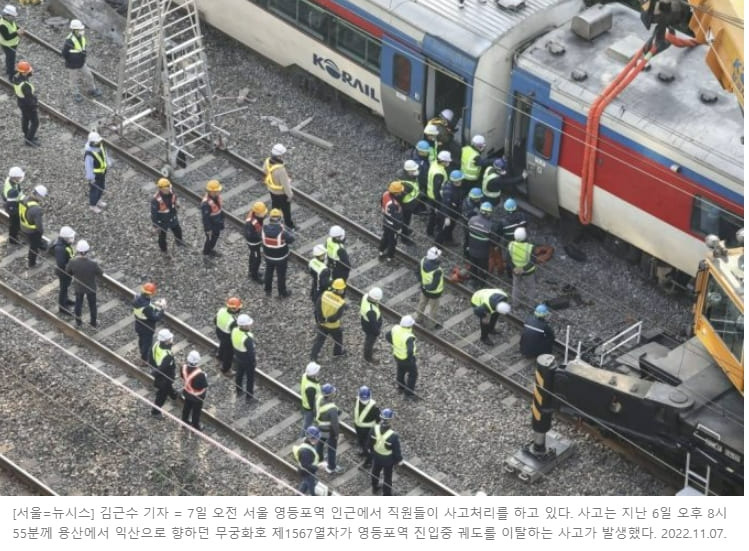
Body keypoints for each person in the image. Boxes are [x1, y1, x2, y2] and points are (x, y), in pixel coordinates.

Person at [61, 19, 101, 103]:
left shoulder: (82, 38)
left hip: (81, 63)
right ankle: (75, 94)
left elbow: (82, 49)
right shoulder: (69, 40)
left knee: (89, 75)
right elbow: (64, 53)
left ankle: (92, 89)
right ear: (74, 30)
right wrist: (70, 61)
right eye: (80, 29)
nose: (82, 31)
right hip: (72, 65)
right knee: (73, 80)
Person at [66, 239, 102, 328]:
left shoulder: (72, 262)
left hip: (79, 287)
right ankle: (93, 322)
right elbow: (100, 273)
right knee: (92, 305)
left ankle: (78, 322)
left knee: (78, 304)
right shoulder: (93, 263)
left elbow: (67, 271)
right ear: (87, 251)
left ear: (78, 251)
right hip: (91, 287)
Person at [310, 278, 347, 361]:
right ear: (340, 290)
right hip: (333, 326)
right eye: (342, 289)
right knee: (338, 338)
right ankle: (337, 352)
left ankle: (313, 356)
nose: (343, 290)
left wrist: (321, 319)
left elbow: (318, 307)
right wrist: (328, 320)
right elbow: (336, 317)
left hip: (322, 323)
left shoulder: (325, 294)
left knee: (319, 341)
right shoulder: (341, 302)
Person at [369, 408, 403, 496]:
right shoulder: (393, 436)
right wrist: (399, 460)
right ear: (390, 420)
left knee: (375, 471)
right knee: (387, 476)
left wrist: (372, 452)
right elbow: (397, 451)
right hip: (387, 460)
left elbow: (370, 443)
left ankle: (374, 486)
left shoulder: (374, 428)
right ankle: (386, 494)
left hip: (376, 455)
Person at [261, 207, 294, 298]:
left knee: (269, 272)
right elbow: (291, 239)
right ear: (280, 218)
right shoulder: (283, 231)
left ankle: (268, 290)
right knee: (281, 275)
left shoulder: (264, 228)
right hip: (281, 258)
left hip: (268, 256)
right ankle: (282, 292)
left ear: (270, 218)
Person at [133, 282, 166, 363]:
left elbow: (146, 305)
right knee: (147, 344)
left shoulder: (137, 297)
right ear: (150, 294)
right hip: (147, 327)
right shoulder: (147, 307)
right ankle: (144, 359)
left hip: (138, 324)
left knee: (141, 340)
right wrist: (162, 309)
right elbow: (155, 317)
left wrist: (154, 304)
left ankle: (142, 353)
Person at [263, 143, 295, 229]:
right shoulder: (281, 170)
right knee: (286, 211)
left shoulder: (267, 162)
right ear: (279, 156)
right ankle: (289, 225)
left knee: (275, 206)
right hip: (281, 194)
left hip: (271, 190)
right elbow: (286, 185)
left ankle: (273, 221)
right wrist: (290, 195)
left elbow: (265, 172)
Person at [386, 315, 418, 398]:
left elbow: (387, 336)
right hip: (406, 359)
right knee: (413, 374)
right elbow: (410, 351)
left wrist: (395, 345)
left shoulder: (395, 328)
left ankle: (401, 387)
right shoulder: (408, 336)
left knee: (401, 370)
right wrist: (410, 358)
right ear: (409, 326)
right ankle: (408, 393)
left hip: (397, 355)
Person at [315, 383, 343, 474]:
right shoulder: (332, 409)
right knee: (331, 449)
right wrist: (336, 435)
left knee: (319, 443)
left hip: (319, 426)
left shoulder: (319, 398)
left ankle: (319, 459)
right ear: (330, 395)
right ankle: (331, 467)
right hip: (329, 431)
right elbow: (335, 424)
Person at [150, 329, 178, 417]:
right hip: (165, 376)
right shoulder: (167, 355)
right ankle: (155, 412)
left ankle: (173, 395)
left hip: (158, 370)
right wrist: (156, 373)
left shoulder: (156, 345)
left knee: (167, 386)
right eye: (170, 339)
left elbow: (151, 358)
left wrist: (154, 369)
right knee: (162, 395)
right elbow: (163, 368)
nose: (171, 340)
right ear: (166, 341)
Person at [151, 178, 183, 252]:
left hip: (172, 218)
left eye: (168, 187)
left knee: (178, 231)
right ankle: (163, 249)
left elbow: (174, 198)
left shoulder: (171, 192)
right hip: (162, 222)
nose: (168, 189)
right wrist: (155, 226)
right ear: (160, 189)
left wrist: (176, 203)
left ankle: (179, 243)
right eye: (166, 188)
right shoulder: (156, 200)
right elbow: (154, 215)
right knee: (162, 237)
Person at [507, 227, 537, 308]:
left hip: (515, 271)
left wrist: (514, 268)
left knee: (516, 287)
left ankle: (515, 304)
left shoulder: (511, 245)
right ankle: (531, 305)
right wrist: (523, 269)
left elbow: (508, 259)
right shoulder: (530, 247)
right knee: (530, 288)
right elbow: (533, 261)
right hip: (528, 272)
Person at [467, 202, 495, 286]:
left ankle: (472, 281)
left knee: (473, 266)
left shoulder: (472, 220)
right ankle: (482, 284)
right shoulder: (490, 225)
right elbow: (493, 240)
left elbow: (467, 232)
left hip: (471, 249)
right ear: (488, 213)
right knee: (482, 268)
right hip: (483, 253)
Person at [18, 184, 46, 268]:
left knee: (32, 242)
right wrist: (41, 232)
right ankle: (32, 263)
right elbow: (39, 226)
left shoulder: (24, 199)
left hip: (22, 226)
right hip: (32, 231)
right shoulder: (36, 209)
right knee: (34, 248)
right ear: (39, 196)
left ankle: (39, 244)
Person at [12, 60, 39, 146]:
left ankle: (26, 134)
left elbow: (26, 76)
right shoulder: (25, 86)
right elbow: (29, 99)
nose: (29, 71)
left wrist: (29, 72)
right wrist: (35, 105)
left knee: (25, 119)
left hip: (21, 102)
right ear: (24, 73)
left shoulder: (16, 77)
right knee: (35, 122)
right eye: (28, 71)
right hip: (28, 105)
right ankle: (29, 140)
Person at [416, 247, 444, 330]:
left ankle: (419, 318)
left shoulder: (422, 260)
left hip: (424, 289)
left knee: (422, 303)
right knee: (433, 309)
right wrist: (427, 287)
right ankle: (431, 325)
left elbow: (417, 273)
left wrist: (423, 284)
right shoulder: (437, 270)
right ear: (435, 258)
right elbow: (434, 285)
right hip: (434, 293)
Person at [231, 314, 257, 401]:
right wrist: (254, 362)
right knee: (250, 378)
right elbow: (251, 353)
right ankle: (249, 397)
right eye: (249, 324)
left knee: (239, 374)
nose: (250, 325)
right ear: (245, 326)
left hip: (238, 356)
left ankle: (238, 391)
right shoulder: (247, 338)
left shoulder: (234, 330)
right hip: (247, 360)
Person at [436, 169, 464, 245]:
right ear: (454, 181)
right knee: (443, 230)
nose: (460, 183)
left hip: (454, 212)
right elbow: (445, 204)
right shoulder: (449, 191)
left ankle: (448, 240)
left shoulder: (455, 187)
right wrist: (446, 217)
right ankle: (437, 246)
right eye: (458, 181)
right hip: (448, 213)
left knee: (450, 228)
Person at [180, 350, 207, 431]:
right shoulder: (200, 374)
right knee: (196, 412)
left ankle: (184, 422)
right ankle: (195, 425)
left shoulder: (183, 367)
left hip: (187, 393)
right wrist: (205, 376)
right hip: (197, 397)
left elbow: (182, 376)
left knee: (186, 408)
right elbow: (203, 385)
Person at [426, 150, 451, 237]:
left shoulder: (434, 164)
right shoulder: (439, 173)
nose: (448, 163)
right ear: (443, 161)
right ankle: (430, 231)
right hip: (435, 197)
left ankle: (431, 230)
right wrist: (437, 204)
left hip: (430, 194)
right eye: (447, 161)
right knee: (434, 215)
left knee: (433, 214)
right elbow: (436, 190)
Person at [353, 386, 380, 466]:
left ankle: (369, 461)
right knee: (362, 442)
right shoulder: (358, 400)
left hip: (367, 429)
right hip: (359, 427)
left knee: (367, 445)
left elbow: (378, 420)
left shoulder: (374, 407)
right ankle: (364, 453)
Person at [215, 296, 242, 374]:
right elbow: (235, 333)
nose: (239, 309)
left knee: (222, 345)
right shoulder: (232, 321)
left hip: (219, 331)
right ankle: (226, 369)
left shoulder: (221, 310)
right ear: (234, 309)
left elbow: (215, 320)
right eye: (238, 308)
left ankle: (219, 356)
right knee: (229, 353)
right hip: (227, 337)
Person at [293, 425, 322, 496]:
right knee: (312, 489)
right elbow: (306, 466)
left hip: (304, 470)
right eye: (316, 438)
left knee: (305, 484)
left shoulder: (306, 443)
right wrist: (318, 467)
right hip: (307, 472)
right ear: (311, 439)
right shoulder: (305, 451)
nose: (318, 439)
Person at [53, 225, 76, 316]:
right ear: (65, 238)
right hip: (64, 272)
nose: (72, 239)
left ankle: (66, 300)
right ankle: (62, 307)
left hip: (68, 271)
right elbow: (61, 264)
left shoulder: (65, 244)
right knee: (63, 288)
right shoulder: (60, 248)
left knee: (66, 287)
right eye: (70, 237)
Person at [83, 131, 108, 213]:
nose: (98, 142)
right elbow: (88, 167)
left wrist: (108, 162)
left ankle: (98, 200)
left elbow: (105, 155)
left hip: (102, 172)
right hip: (95, 176)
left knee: (101, 187)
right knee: (95, 190)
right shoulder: (89, 153)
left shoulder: (100, 145)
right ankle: (93, 205)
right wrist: (91, 178)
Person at [379, 180, 403, 261]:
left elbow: (381, 203)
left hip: (386, 221)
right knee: (392, 242)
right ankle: (390, 257)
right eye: (400, 191)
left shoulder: (385, 194)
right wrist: (399, 229)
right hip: (393, 226)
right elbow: (397, 218)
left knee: (385, 237)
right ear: (396, 193)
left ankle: (381, 251)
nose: (401, 193)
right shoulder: (394, 204)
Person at [244, 201, 266, 283]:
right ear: (257, 213)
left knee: (253, 256)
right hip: (254, 244)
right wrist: (261, 236)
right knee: (257, 259)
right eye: (262, 213)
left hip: (255, 242)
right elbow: (250, 235)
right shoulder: (250, 223)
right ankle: (254, 276)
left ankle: (251, 271)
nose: (264, 214)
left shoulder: (257, 217)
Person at [397, 160, 420, 239]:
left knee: (406, 220)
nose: (415, 171)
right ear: (408, 171)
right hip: (406, 206)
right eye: (413, 170)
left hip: (409, 204)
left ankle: (405, 230)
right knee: (405, 221)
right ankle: (404, 236)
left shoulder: (407, 176)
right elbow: (399, 197)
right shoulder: (406, 185)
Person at [201, 180, 224, 257]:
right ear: (212, 192)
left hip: (217, 223)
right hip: (212, 225)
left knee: (215, 237)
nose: (219, 192)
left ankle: (210, 249)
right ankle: (206, 252)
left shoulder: (216, 197)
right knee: (210, 239)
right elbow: (205, 219)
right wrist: (208, 229)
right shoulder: (206, 204)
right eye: (217, 191)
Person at [3, 165, 25, 245]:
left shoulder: (10, 181)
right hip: (12, 207)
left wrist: (23, 198)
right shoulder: (12, 191)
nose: (20, 178)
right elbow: (12, 206)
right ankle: (13, 239)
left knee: (15, 223)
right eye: (19, 177)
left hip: (12, 203)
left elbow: (19, 193)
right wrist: (18, 212)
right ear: (14, 177)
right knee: (14, 223)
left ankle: (14, 236)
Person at [360, 287, 383, 363]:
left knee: (369, 339)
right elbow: (373, 324)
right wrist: (377, 332)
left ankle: (369, 349)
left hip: (365, 321)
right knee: (370, 340)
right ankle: (368, 357)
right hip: (370, 327)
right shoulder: (371, 311)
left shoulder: (366, 296)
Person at [300, 361, 321, 435]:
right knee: (307, 424)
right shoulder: (310, 388)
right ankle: (302, 437)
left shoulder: (305, 375)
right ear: (313, 374)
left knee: (307, 422)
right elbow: (312, 403)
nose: (319, 371)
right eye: (317, 371)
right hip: (309, 409)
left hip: (305, 404)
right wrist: (316, 414)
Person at [0, 5, 21, 80]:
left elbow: (14, 26)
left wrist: (18, 29)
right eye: (13, 16)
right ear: (7, 15)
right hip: (8, 45)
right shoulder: (2, 25)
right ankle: (11, 76)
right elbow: (7, 37)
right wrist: (17, 33)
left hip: (13, 44)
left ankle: (9, 70)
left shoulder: (10, 20)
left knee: (10, 58)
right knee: (11, 60)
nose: (14, 18)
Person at [462, 187, 483, 258]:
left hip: (470, 223)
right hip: (468, 224)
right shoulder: (470, 207)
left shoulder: (469, 201)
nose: (479, 199)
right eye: (478, 198)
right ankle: (466, 253)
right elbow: (468, 216)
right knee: (468, 239)